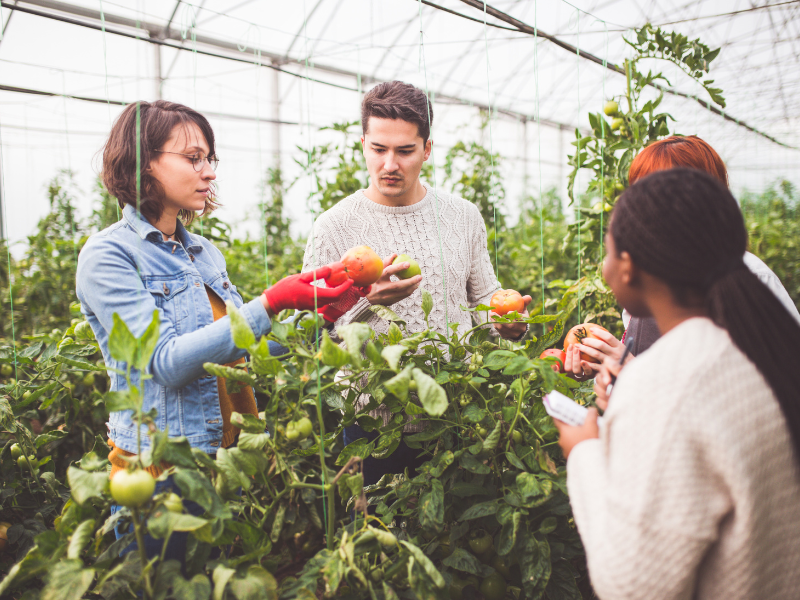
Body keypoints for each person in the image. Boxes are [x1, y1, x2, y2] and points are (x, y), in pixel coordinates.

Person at [76, 100, 353, 562]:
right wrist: (272, 301)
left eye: (210, 159)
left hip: (226, 459)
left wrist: (326, 309)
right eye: (193, 158)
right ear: (144, 162)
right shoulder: (108, 257)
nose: (209, 173)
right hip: (160, 474)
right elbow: (166, 363)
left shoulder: (202, 252)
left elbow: (245, 351)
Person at [554, 168, 800, 599]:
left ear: (628, 267)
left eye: (608, 249)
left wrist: (583, 450)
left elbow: (633, 585)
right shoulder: (768, 345)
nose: (603, 264)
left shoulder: (666, 381)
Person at [302, 81, 530, 486]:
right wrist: (368, 302)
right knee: (374, 539)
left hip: (455, 413)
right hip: (370, 422)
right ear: (363, 144)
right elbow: (315, 334)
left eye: (405, 151)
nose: (390, 164)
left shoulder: (462, 216)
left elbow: (483, 296)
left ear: (426, 149)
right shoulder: (333, 227)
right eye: (379, 149)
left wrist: (507, 322)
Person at [564, 135, 800, 382]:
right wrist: (606, 368)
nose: (643, 204)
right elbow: (644, 355)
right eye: (639, 189)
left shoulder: (751, 276)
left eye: (660, 191)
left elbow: (761, 390)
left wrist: (634, 372)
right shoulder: (649, 275)